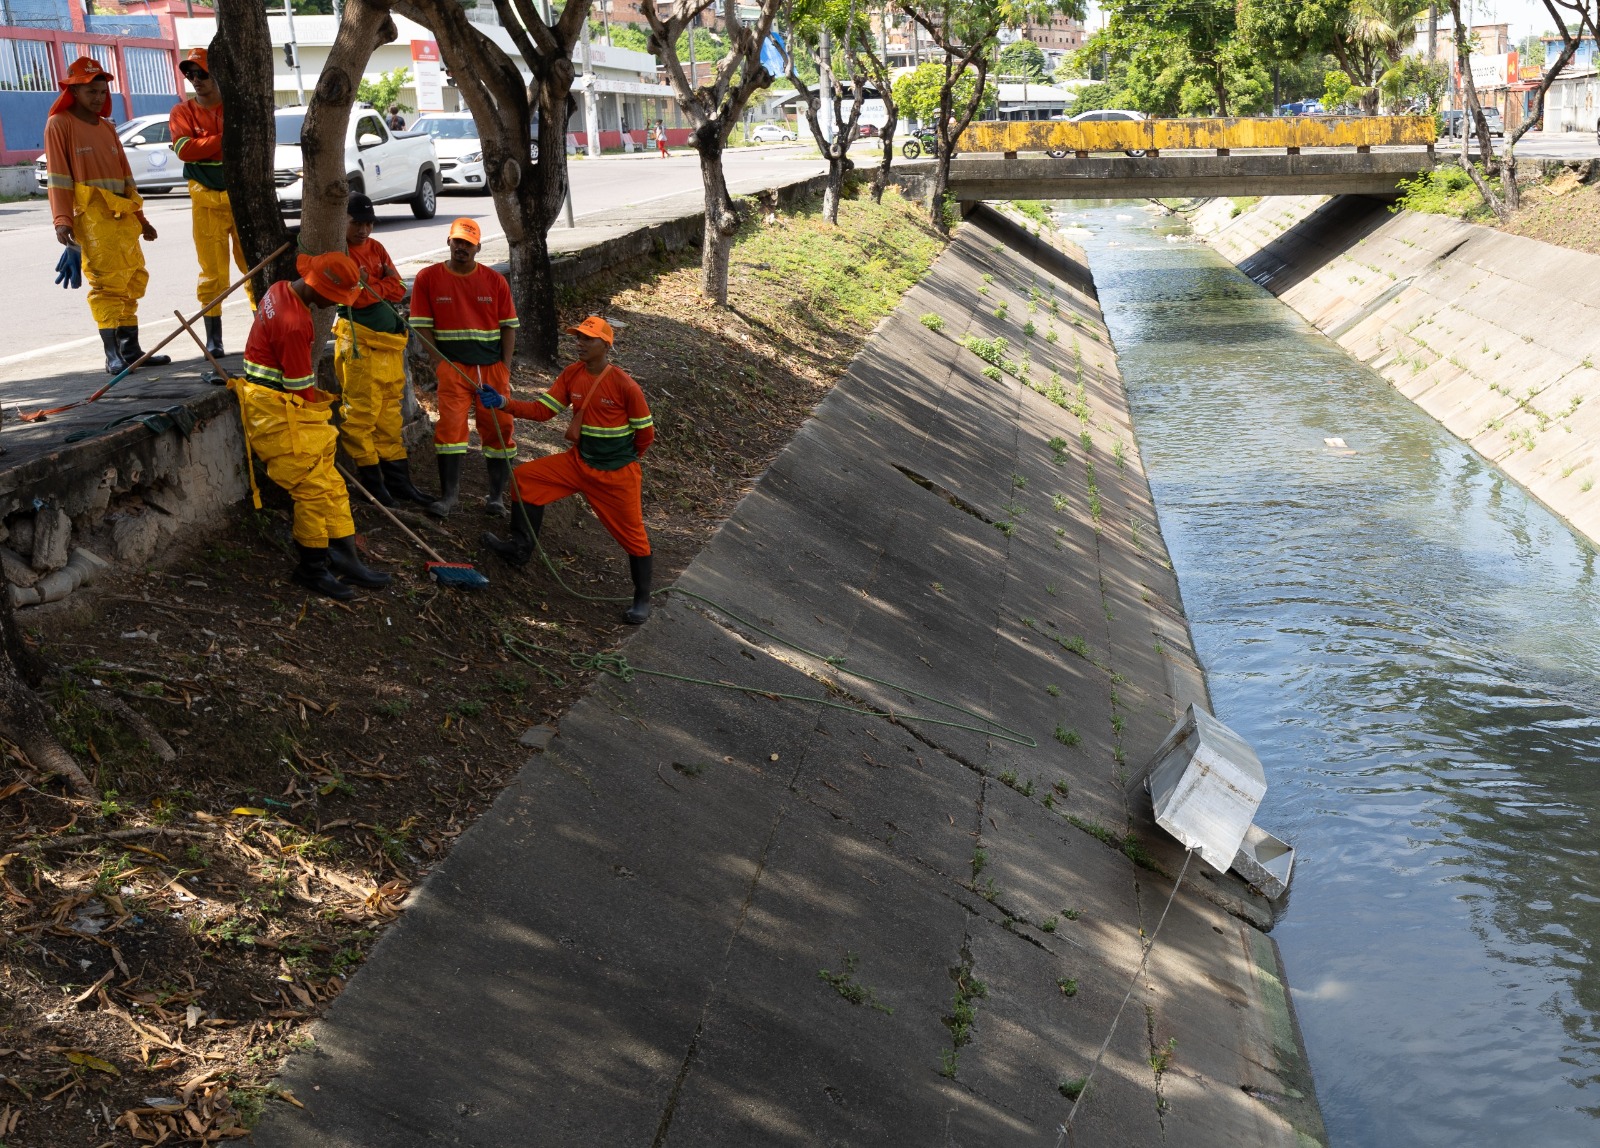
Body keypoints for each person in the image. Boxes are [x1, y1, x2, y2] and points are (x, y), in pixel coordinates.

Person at [479, 316, 655, 625]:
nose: (581, 344)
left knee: (634, 538)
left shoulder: (625, 385)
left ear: (606, 344)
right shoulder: (572, 374)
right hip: (577, 463)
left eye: (588, 339)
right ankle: (519, 549)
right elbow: (543, 411)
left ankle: (642, 599)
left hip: (616, 475)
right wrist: (503, 402)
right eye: (579, 338)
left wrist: (619, 460)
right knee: (525, 478)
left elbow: (645, 435)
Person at [236, 253, 392, 601]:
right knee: (312, 488)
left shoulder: (278, 290)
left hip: (277, 405)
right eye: (334, 297)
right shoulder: (295, 324)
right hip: (277, 414)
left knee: (333, 484)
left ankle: (345, 558)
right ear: (317, 287)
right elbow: (299, 387)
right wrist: (322, 418)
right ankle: (312, 568)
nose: (334, 305)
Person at [301, 193, 431, 508]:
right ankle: (374, 488)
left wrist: (372, 285)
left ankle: (399, 483)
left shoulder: (376, 249)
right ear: (342, 221)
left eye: (368, 223)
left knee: (389, 417)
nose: (363, 229)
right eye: (356, 222)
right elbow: (354, 298)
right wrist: (374, 287)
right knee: (361, 417)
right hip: (361, 346)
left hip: (388, 347)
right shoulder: (340, 255)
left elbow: (398, 287)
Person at [45, 56, 167, 376]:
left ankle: (131, 350)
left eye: (102, 91)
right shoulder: (60, 124)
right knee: (106, 283)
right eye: (91, 92)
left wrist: (142, 220)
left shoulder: (108, 128)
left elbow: (126, 178)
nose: (98, 98)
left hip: (123, 216)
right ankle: (112, 354)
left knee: (132, 278)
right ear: (73, 91)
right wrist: (62, 221)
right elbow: (58, 177)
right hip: (92, 215)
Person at [408, 217, 520, 519]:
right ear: (449, 242)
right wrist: (439, 363)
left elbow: (509, 327)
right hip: (453, 368)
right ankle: (449, 498)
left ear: (478, 248)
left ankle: (496, 497)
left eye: (468, 244)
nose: (462, 247)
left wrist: (504, 367)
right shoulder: (428, 278)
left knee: (500, 428)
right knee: (450, 429)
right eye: (457, 241)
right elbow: (421, 326)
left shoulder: (495, 281)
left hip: (492, 369)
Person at [169, 47, 249, 362]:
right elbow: (185, 150)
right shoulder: (182, 112)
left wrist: (209, 144)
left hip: (241, 199)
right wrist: (226, 139)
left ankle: (264, 326)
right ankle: (214, 340)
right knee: (212, 274)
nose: (196, 80)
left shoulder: (236, 107)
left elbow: (246, 144)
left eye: (202, 73)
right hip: (204, 201)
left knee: (251, 268)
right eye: (190, 74)